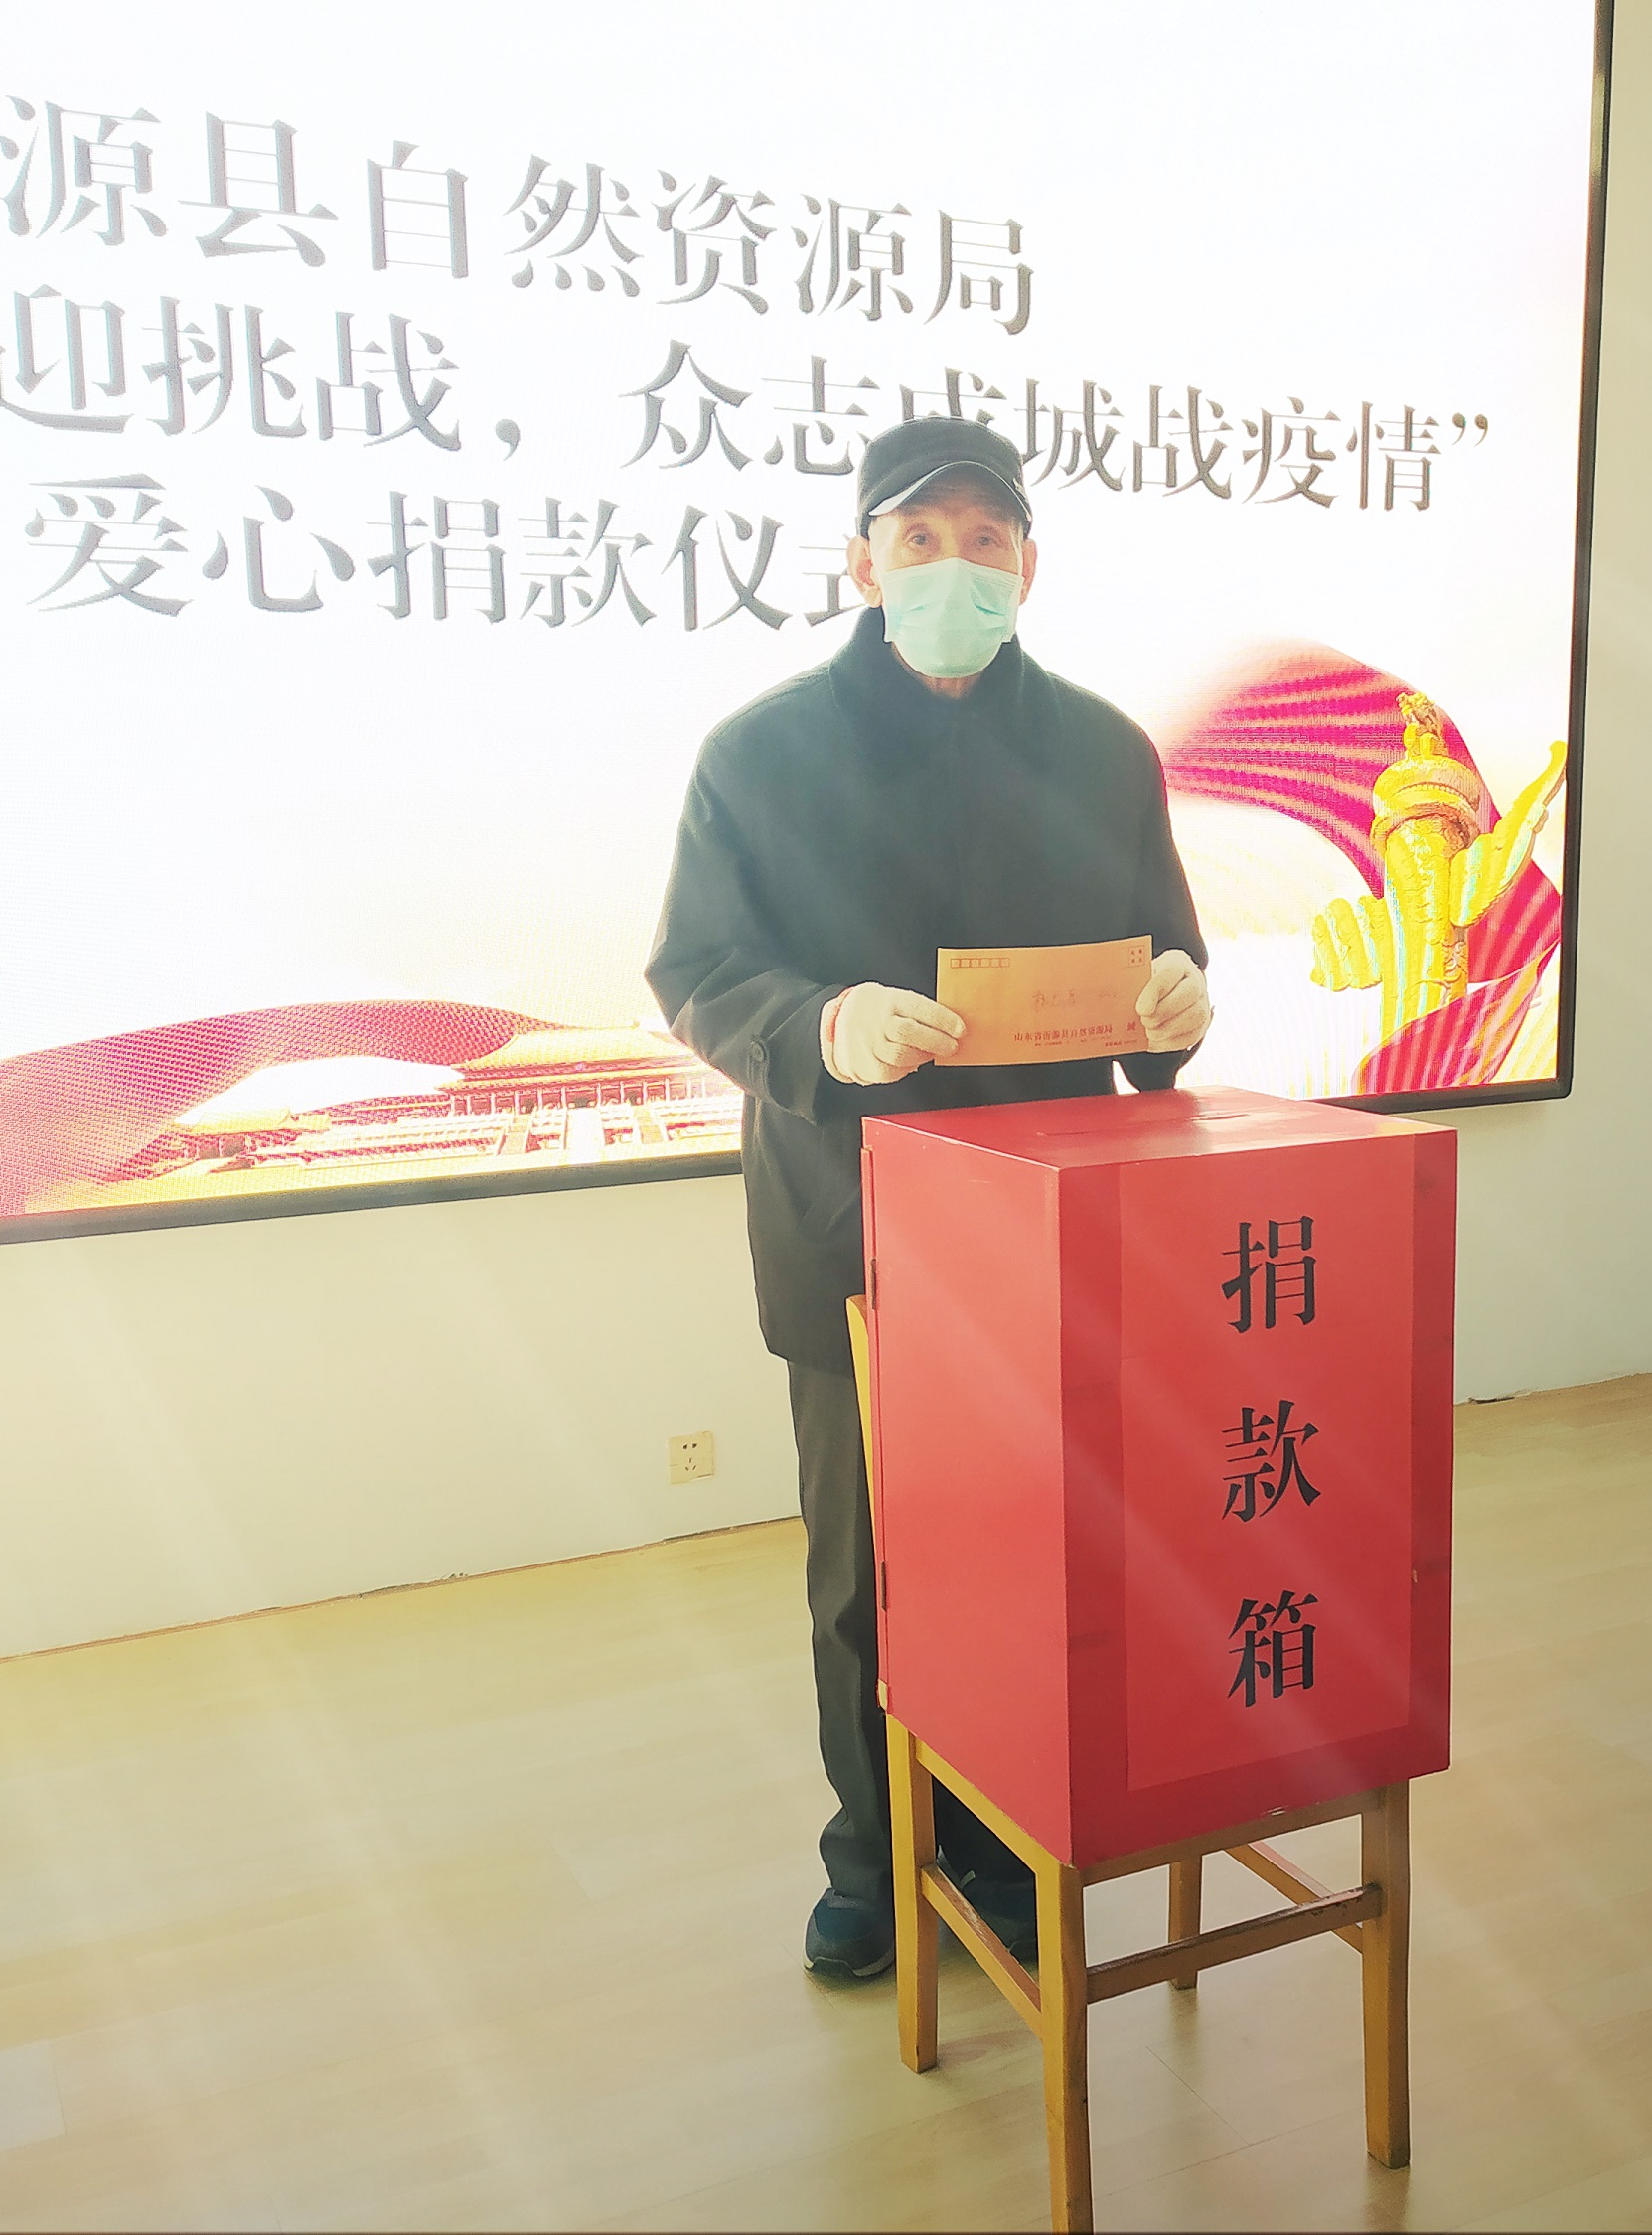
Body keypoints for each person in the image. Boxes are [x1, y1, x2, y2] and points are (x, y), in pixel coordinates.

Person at [646, 416, 1212, 1981]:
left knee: (1036, 1552)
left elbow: (1163, 957)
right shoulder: (758, 755)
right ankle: (876, 1852)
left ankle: (1007, 1839)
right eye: (919, 539)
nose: (953, 567)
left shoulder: (1105, 750)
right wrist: (819, 1024)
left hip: (1055, 1231)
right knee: (868, 1568)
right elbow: (696, 968)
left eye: (983, 539)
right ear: (862, 562)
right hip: (853, 1218)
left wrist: (1179, 1001)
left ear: (1028, 564)